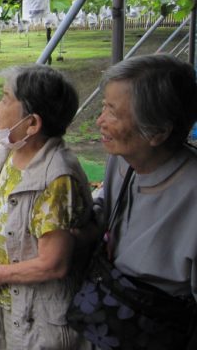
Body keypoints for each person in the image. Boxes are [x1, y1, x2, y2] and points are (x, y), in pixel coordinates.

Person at [0, 64, 93, 349]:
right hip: (5, 306)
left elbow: (54, 264)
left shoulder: (57, 179)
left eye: (4, 99)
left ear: (33, 124)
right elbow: (0, 206)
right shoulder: (9, 151)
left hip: (38, 318)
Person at [82, 54, 197, 346]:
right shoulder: (121, 162)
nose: (99, 121)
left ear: (158, 132)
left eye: (113, 113)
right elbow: (106, 209)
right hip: (112, 313)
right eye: (104, 106)